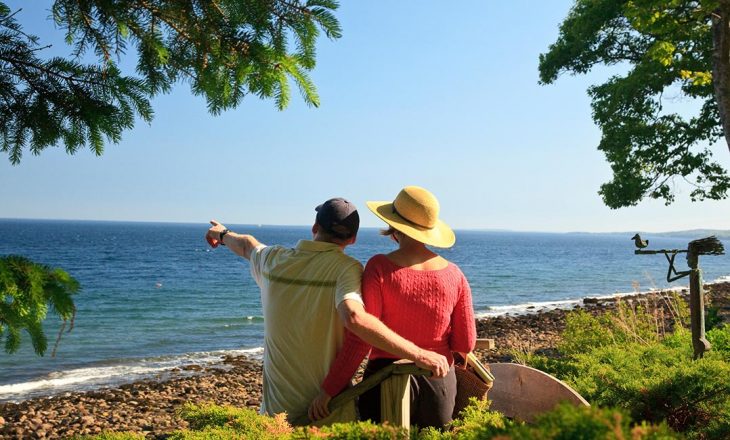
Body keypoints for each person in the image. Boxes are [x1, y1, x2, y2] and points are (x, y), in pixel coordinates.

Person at [206, 197, 450, 425]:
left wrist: (223, 233)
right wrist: (419, 353)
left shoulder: (273, 261)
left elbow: (248, 246)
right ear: (352, 239)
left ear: (314, 226)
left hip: (277, 415)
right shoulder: (347, 269)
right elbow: (354, 317)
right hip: (331, 409)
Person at [309, 187, 476, 428]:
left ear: (394, 226)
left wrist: (328, 391)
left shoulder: (379, 267)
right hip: (437, 381)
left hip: (383, 380)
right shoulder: (455, 275)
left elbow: (361, 338)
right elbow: (465, 344)